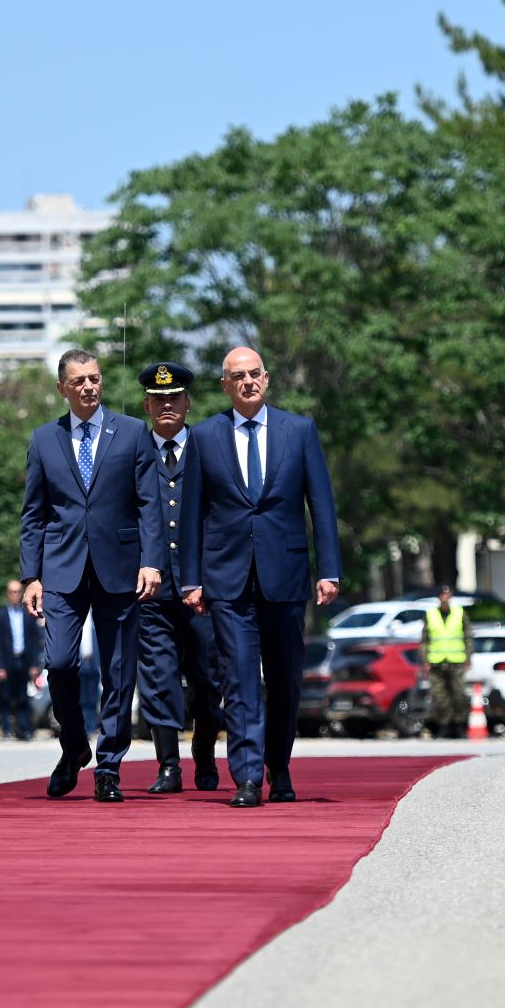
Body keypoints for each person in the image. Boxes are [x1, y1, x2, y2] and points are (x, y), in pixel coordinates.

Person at [180, 346, 342, 808]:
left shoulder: (300, 431)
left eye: (255, 374)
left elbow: (322, 507)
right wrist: (191, 579)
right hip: (226, 578)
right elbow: (191, 513)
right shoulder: (205, 436)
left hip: (286, 575)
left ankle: (280, 766)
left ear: (266, 379)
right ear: (225, 385)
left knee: (287, 676)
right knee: (240, 678)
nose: (248, 382)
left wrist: (329, 568)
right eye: (238, 376)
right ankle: (248, 776)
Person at [19, 349, 161, 802]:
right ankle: (74, 745)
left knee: (118, 671)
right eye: (78, 381)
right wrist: (31, 577)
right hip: (60, 571)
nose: (88, 387)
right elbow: (34, 514)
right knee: (59, 663)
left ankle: (110, 765)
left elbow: (149, 505)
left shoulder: (134, 433)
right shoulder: (44, 439)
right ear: (62, 388)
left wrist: (152, 561)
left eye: (94, 379)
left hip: (120, 569)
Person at [135, 361, 227, 792]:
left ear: (188, 403)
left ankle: (205, 752)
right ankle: (167, 765)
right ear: (147, 405)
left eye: (174, 399)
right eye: (158, 399)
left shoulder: (208, 448)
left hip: (200, 587)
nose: (166, 406)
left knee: (208, 679)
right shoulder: (133, 450)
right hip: (151, 588)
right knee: (159, 677)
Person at [0, 578, 43, 740]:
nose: (15, 594)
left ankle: (24, 729)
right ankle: (6, 729)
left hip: (24, 660)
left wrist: (34, 664)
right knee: (5, 697)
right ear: (7, 594)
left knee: (23, 697)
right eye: (12, 591)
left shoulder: (29, 614)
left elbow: (34, 642)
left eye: (18, 591)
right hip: (6, 661)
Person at [421, 585, 472, 739]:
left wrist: (468, 658)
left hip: (456, 662)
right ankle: (444, 726)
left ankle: (459, 726)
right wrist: (425, 660)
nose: (445, 598)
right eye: (442, 595)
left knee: (458, 695)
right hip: (436, 662)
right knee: (439, 696)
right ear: (438, 597)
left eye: (447, 595)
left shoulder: (460, 613)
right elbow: (424, 640)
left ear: (451, 597)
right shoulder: (430, 614)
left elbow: (468, 637)